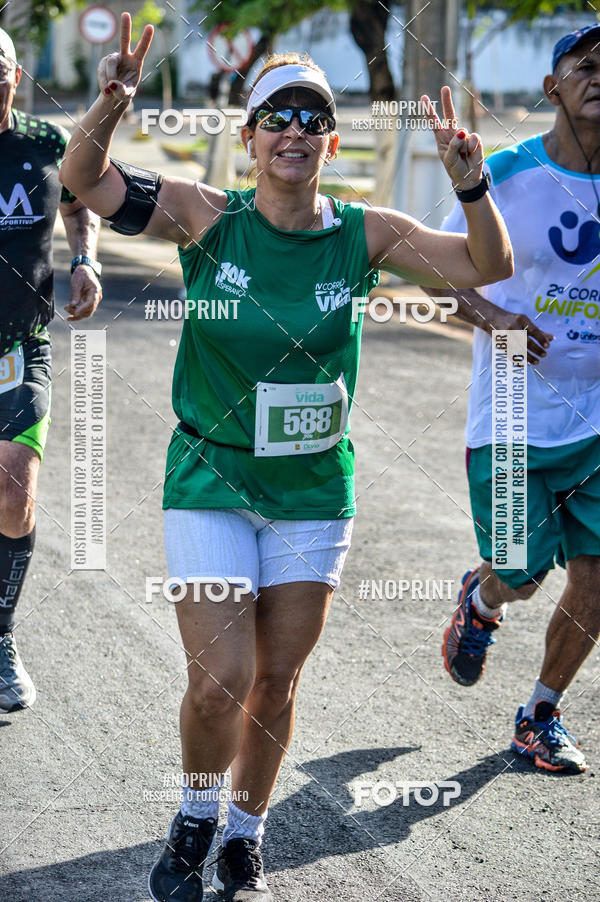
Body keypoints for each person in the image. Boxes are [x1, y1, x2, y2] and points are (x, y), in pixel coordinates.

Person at [59, 12, 512, 902]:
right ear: (251, 136)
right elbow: (86, 180)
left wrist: (471, 181)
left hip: (312, 492)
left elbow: (486, 267)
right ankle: (195, 813)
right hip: (212, 477)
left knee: (277, 679)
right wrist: (111, 104)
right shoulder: (206, 215)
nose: (296, 130)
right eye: (279, 116)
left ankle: (245, 834)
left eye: (312, 117)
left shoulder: (365, 234)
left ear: (331, 140)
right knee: (219, 682)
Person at [430, 24, 600, 774]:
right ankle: (483, 598)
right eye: (585, 65)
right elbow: (435, 272)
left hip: (596, 423)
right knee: (524, 574)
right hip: (510, 420)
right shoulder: (501, 174)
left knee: (597, 576)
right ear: (551, 87)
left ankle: (540, 714)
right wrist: (494, 317)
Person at [0, 28, 102, 712]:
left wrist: (84, 257)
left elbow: (79, 199)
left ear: (15, 73)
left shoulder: (43, 142)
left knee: (13, 488)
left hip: (18, 344)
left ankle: (0, 638)